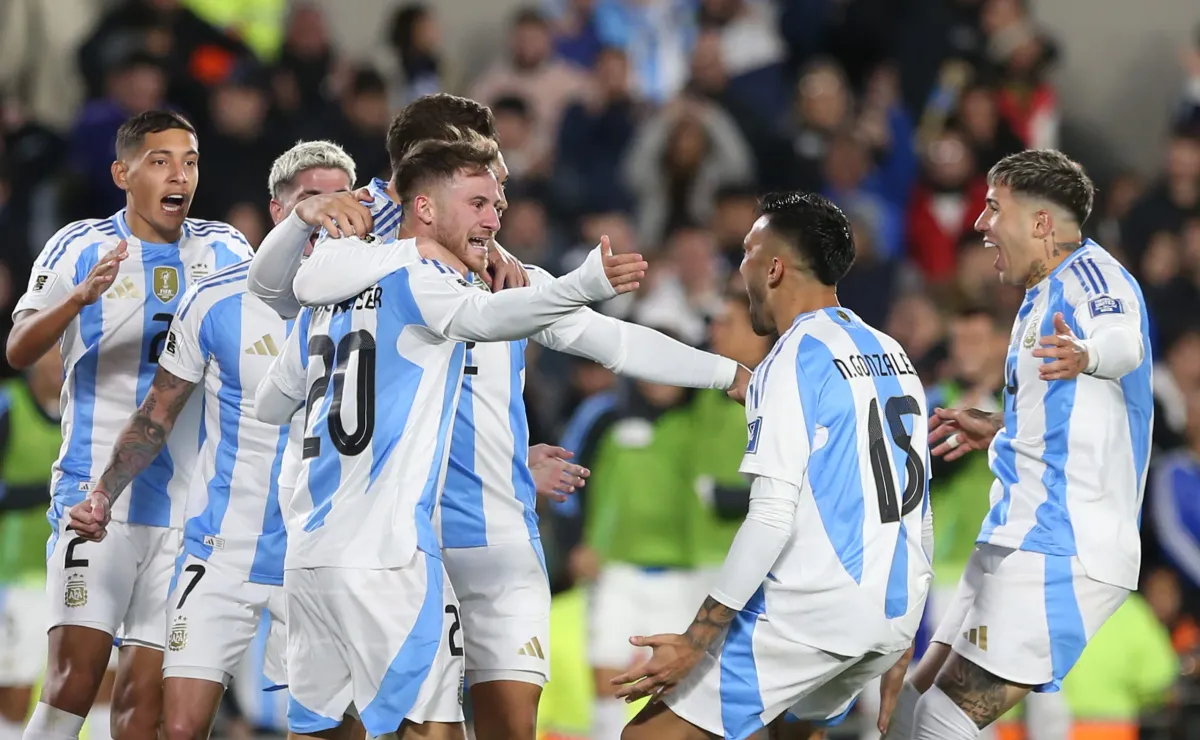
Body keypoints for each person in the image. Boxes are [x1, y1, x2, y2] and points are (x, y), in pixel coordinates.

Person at [254, 93, 749, 740]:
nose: (501, 198)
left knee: (504, 726)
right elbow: (275, 292)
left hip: (490, 534)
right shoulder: (365, 264)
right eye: (483, 179)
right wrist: (309, 219)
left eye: (499, 185)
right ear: (428, 174)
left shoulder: (508, 280)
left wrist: (727, 373)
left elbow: (614, 342)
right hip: (403, 540)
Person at [64, 140, 358, 740]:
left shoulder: (377, 297)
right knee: (178, 727)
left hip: (319, 554)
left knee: (328, 730)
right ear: (280, 212)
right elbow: (156, 414)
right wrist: (103, 493)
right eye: (312, 200)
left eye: (340, 200)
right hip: (219, 551)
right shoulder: (215, 299)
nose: (328, 214)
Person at [613, 191, 933, 740]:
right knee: (793, 733)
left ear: (775, 267)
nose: (739, 270)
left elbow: (768, 518)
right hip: (891, 613)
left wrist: (696, 640)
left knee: (645, 738)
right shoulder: (892, 353)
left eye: (746, 253)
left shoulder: (790, 360)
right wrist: (901, 637)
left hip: (817, 613)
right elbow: (916, 506)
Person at [880, 149, 1153, 740]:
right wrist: (1001, 430)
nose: (981, 223)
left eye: (993, 208)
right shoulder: (1040, 295)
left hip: (1063, 542)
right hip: (1015, 533)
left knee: (943, 718)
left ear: (1041, 222)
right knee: (908, 706)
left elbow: (1123, 341)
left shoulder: (1092, 277)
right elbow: (1075, 421)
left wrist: (1089, 354)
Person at [6, 110, 253, 740]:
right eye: (160, 161)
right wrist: (77, 299)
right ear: (123, 173)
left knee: (145, 706)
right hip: (94, 497)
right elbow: (19, 349)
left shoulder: (226, 250)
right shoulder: (80, 246)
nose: (179, 176)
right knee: (71, 685)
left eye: (190, 162)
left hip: (184, 509)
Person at [247, 93, 530, 322]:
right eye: (474, 161)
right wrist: (299, 219)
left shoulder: (471, 236)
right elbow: (284, 299)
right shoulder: (361, 216)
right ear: (422, 158)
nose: (500, 199)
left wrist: (486, 244)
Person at [0, 346, 63, 740]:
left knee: (95, 683)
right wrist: (50, 490)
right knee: (16, 690)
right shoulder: (9, 405)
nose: (58, 362)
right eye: (50, 351)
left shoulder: (89, 408)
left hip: (77, 570)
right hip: (17, 574)